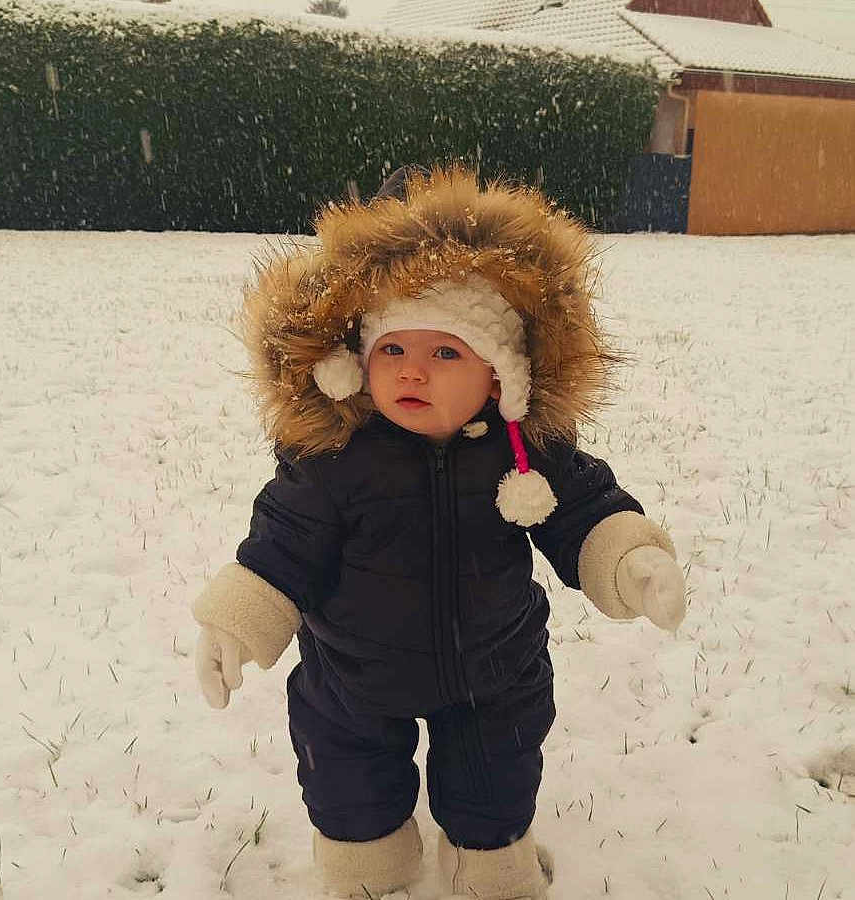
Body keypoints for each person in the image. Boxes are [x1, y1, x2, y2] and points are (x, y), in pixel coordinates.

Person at [191, 166, 686, 900]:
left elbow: (583, 509)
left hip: (496, 668)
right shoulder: (334, 459)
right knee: (349, 779)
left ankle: (491, 859)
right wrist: (237, 622)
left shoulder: (524, 451)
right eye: (392, 350)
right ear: (355, 364)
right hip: (355, 672)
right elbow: (283, 543)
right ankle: (371, 863)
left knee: (497, 771)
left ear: (500, 376)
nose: (412, 370)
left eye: (445, 352)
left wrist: (630, 558)